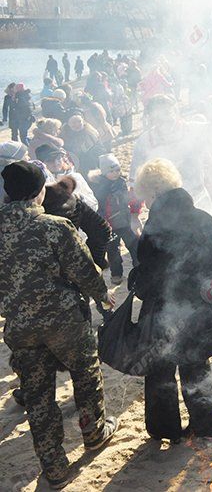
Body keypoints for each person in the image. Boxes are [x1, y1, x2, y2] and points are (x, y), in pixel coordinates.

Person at [0, 161, 119, 489]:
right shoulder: (54, 227)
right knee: (85, 375)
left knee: (38, 396)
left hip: (21, 329)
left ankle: (53, 466)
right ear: (39, 192)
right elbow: (84, 270)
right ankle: (94, 433)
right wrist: (101, 295)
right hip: (65, 323)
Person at [130, 158, 212, 442]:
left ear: (153, 192)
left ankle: (166, 430)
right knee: (196, 365)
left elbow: (148, 278)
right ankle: (206, 427)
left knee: (160, 370)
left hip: (166, 313)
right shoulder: (203, 218)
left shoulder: (153, 230)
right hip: (202, 310)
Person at [90, 154, 140, 285]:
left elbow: (132, 198)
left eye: (117, 170)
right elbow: (97, 206)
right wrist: (103, 222)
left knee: (134, 245)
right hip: (110, 224)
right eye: (111, 171)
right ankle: (116, 273)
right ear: (104, 172)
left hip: (125, 221)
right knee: (113, 251)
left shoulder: (122, 182)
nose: (115, 173)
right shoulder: (100, 187)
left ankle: (139, 268)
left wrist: (135, 212)